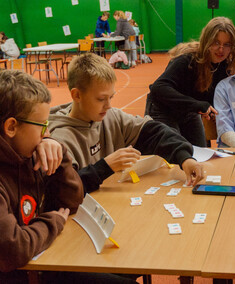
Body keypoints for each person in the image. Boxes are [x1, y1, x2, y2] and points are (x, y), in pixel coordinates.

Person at [49, 53, 204, 194]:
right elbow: (65, 191)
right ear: (77, 95)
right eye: (101, 99)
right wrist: (106, 166)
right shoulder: (59, 139)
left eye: (111, 97)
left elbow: (154, 132)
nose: (108, 105)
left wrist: (184, 158)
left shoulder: (111, 116)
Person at [0, 69, 84, 283]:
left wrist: (58, 150)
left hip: (37, 266)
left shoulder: (27, 153)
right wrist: (52, 222)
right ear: (11, 127)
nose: (46, 133)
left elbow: (71, 203)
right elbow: (13, 249)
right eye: (42, 125)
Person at [146, 17, 235, 147]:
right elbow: (158, 87)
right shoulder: (188, 60)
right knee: (175, 151)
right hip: (162, 109)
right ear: (207, 40)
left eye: (227, 44)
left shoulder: (225, 66)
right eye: (216, 43)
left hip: (188, 111)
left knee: (201, 151)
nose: (221, 50)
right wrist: (198, 105)